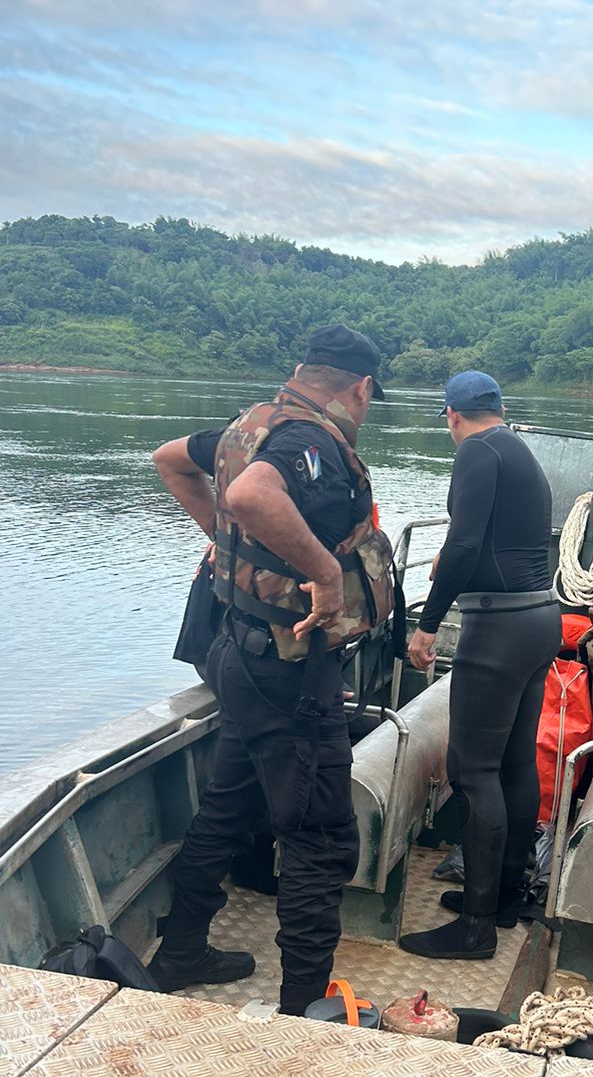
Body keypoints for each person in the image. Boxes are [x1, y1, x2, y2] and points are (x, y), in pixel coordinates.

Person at [147, 324, 394, 1014]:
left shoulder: (249, 424)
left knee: (227, 805)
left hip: (236, 654)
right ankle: (303, 1012)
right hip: (287, 670)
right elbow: (253, 496)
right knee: (319, 838)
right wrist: (322, 573)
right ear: (359, 388)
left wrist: (233, 554)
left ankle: (182, 950)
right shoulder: (310, 441)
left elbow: (170, 459)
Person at [401, 370, 560, 960]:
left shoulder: (475, 451)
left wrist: (427, 622)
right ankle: (505, 898)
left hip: (497, 629)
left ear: (451, 414)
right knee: (516, 763)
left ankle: (475, 927)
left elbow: (466, 544)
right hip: (539, 618)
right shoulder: (518, 448)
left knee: (473, 771)